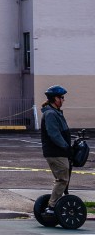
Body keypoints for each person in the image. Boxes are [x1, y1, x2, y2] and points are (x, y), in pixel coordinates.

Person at [40, 84, 73, 217]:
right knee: (62, 179)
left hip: (59, 151)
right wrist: (65, 146)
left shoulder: (56, 113)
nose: (63, 100)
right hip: (56, 152)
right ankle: (52, 207)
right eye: (61, 97)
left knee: (63, 178)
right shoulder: (50, 114)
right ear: (55, 99)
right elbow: (54, 134)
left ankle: (56, 203)